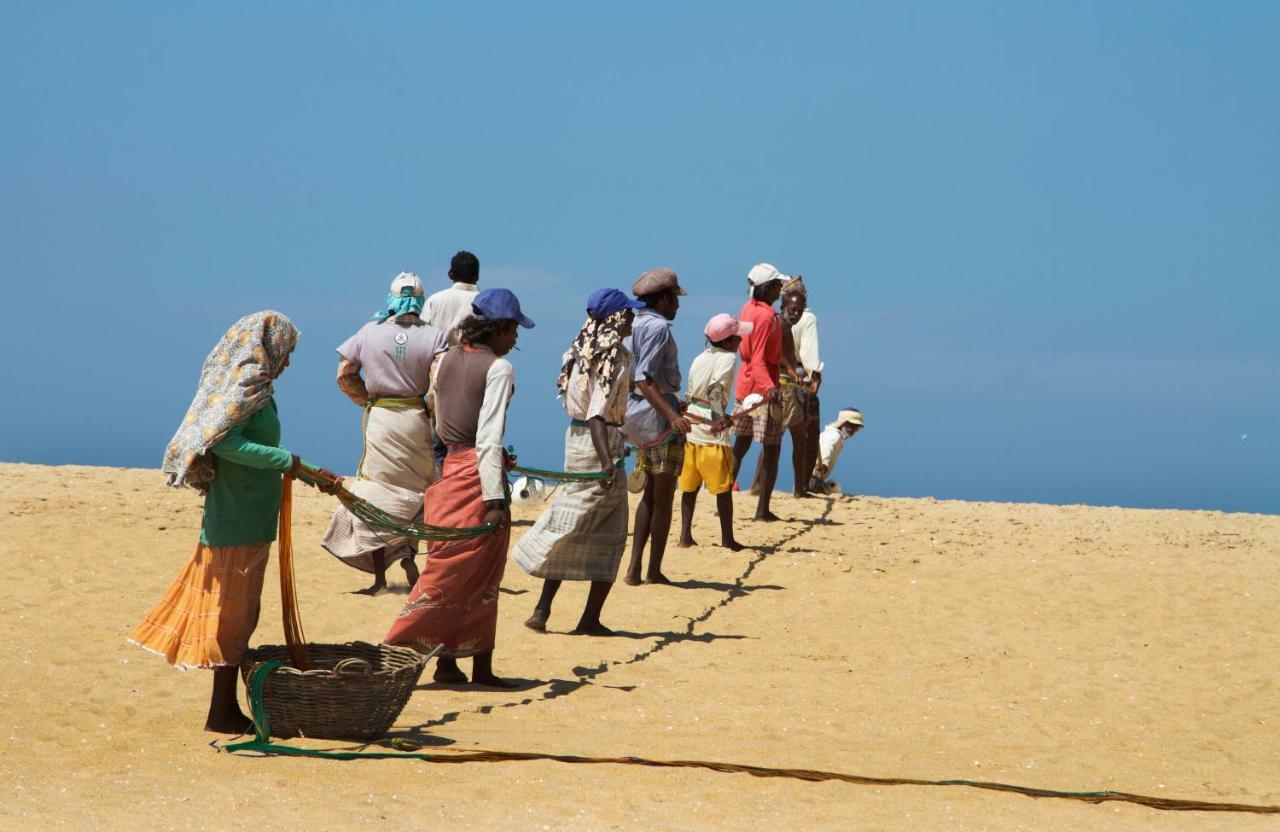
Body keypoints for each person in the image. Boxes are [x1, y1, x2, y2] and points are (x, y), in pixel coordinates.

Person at [130, 311, 334, 733]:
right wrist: (290, 462)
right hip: (236, 521)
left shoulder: (258, 390)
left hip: (251, 517)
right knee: (233, 619)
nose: (288, 361)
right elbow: (226, 445)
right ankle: (220, 713)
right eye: (286, 351)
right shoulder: (242, 388)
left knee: (242, 615)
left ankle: (226, 709)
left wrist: (306, 472)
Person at [384, 288, 533, 688]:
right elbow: (487, 437)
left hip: (449, 470)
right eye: (514, 330)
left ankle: (451, 665)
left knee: (458, 569)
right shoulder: (499, 368)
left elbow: (438, 415)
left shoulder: (446, 360)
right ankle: (400, 651)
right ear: (499, 328)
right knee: (469, 575)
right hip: (475, 479)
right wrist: (495, 497)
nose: (516, 339)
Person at [513, 288, 644, 635]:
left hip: (576, 441)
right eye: (628, 314)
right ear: (616, 317)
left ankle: (543, 610)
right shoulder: (613, 355)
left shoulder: (579, 348)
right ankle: (589, 619)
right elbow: (599, 414)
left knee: (572, 520)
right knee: (612, 530)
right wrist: (607, 464)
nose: (632, 318)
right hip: (599, 446)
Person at [322, 272, 448, 595]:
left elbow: (344, 374)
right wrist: (430, 411)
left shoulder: (368, 332)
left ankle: (379, 578)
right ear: (421, 300)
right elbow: (437, 386)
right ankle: (408, 552)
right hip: (415, 420)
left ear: (390, 298)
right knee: (417, 492)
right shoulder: (434, 336)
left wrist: (366, 399)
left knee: (375, 491)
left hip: (381, 419)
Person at [621, 268, 691, 586]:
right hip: (657, 418)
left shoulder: (629, 322)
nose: (677, 306)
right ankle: (652, 570)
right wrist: (673, 415)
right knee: (662, 497)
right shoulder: (659, 327)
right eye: (674, 299)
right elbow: (644, 377)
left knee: (648, 494)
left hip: (633, 415)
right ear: (663, 299)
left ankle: (635, 568)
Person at [677, 313, 753, 552]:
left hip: (691, 427)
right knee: (723, 488)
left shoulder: (700, 357)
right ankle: (727, 539)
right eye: (738, 337)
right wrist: (720, 418)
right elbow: (716, 389)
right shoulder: (729, 359)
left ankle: (685, 536)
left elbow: (693, 391)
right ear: (728, 342)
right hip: (711, 432)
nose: (741, 341)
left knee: (689, 487)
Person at [731, 263, 799, 521]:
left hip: (744, 383)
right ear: (768, 287)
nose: (780, 290)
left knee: (740, 446)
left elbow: (749, 354)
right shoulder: (768, 316)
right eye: (778, 286)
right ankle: (762, 510)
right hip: (762, 387)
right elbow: (760, 358)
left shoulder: (746, 309)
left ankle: (722, 500)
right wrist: (770, 388)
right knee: (772, 448)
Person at [786, 277, 824, 495]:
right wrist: (815, 375)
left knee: (775, 435)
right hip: (801, 375)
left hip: (778, 375)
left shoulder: (778, 317)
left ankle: (758, 483)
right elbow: (809, 352)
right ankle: (801, 486)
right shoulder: (807, 318)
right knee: (809, 432)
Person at [422, 250, 481, 341]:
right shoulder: (486, 303)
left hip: (439, 354)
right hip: (477, 355)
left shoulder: (434, 300)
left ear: (450, 274)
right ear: (477, 276)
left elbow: (423, 335)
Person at [809, 408, 864, 494]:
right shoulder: (835, 435)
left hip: (811, 479)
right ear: (842, 422)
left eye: (856, 427)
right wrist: (824, 463)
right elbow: (827, 447)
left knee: (835, 486)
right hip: (812, 480)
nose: (852, 429)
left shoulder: (830, 434)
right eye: (850, 425)